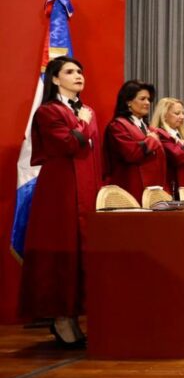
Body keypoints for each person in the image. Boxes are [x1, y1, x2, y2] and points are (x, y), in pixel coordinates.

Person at [19, 56, 101, 347]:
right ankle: (61, 318)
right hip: (61, 190)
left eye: (80, 71)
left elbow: (90, 150)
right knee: (62, 249)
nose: (78, 75)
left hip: (86, 188)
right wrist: (82, 124)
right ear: (55, 79)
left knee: (82, 251)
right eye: (70, 71)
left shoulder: (87, 110)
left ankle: (74, 315)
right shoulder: (48, 112)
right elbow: (66, 144)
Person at [104, 80, 167, 201]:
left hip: (153, 190)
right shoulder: (117, 126)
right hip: (130, 190)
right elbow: (131, 154)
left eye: (148, 99)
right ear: (128, 101)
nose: (147, 103)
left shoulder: (148, 128)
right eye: (142, 99)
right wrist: (152, 140)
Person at [150, 97, 184, 196]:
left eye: (183, 113)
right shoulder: (160, 134)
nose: (182, 117)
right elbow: (179, 156)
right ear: (164, 116)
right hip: (172, 189)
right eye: (177, 113)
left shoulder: (180, 134)